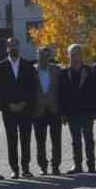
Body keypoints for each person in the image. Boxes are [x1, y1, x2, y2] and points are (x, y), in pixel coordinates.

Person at [0, 37, 37, 177]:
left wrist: (23, 103)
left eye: (15, 45)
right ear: (7, 48)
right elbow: (0, 89)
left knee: (25, 140)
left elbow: (32, 88)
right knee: (11, 140)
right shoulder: (1, 66)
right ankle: (15, 169)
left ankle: (25, 168)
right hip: (9, 111)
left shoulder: (28, 66)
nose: (13, 48)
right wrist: (9, 104)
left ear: (19, 47)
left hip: (25, 109)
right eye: (10, 45)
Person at [59, 44, 96, 173]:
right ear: (69, 56)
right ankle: (77, 165)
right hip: (71, 112)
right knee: (75, 141)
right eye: (73, 54)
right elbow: (61, 95)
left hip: (87, 111)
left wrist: (95, 110)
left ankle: (91, 164)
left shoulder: (90, 71)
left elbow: (95, 92)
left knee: (89, 140)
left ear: (82, 56)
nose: (75, 57)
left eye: (78, 54)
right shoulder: (64, 73)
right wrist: (62, 113)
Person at [31, 46, 63, 175]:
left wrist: (62, 110)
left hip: (54, 110)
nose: (44, 58)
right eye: (41, 56)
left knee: (56, 140)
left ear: (50, 57)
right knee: (40, 142)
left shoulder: (56, 70)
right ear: (37, 56)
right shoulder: (32, 70)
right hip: (38, 111)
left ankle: (56, 166)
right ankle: (43, 166)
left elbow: (61, 90)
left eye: (47, 56)